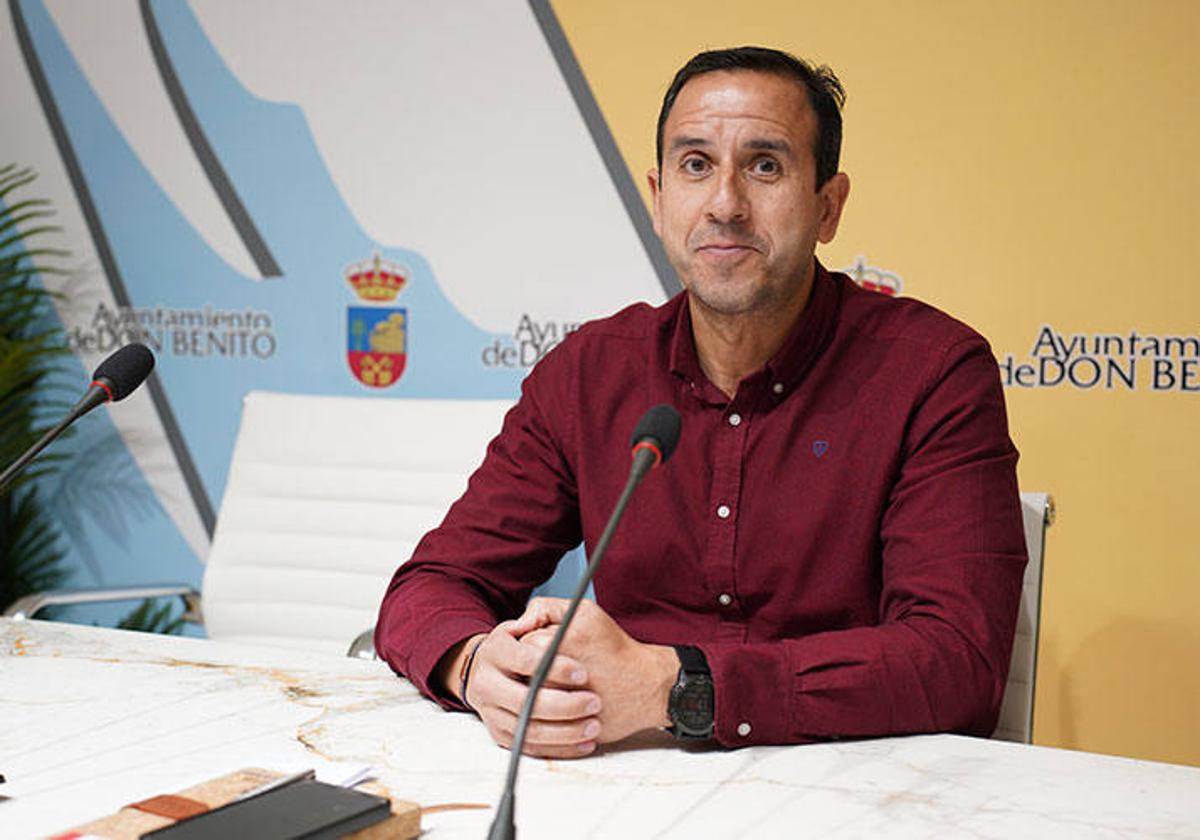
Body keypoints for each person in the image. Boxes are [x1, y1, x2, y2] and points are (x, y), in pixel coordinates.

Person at [375, 46, 1027, 760]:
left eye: (765, 166)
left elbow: (959, 661)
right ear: (659, 199)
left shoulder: (932, 373)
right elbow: (432, 586)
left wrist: (678, 687)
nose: (724, 204)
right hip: (623, 779)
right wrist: (474, 667)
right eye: (695, 165)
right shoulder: (589, 373)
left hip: (851, 779)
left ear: (828, 206)